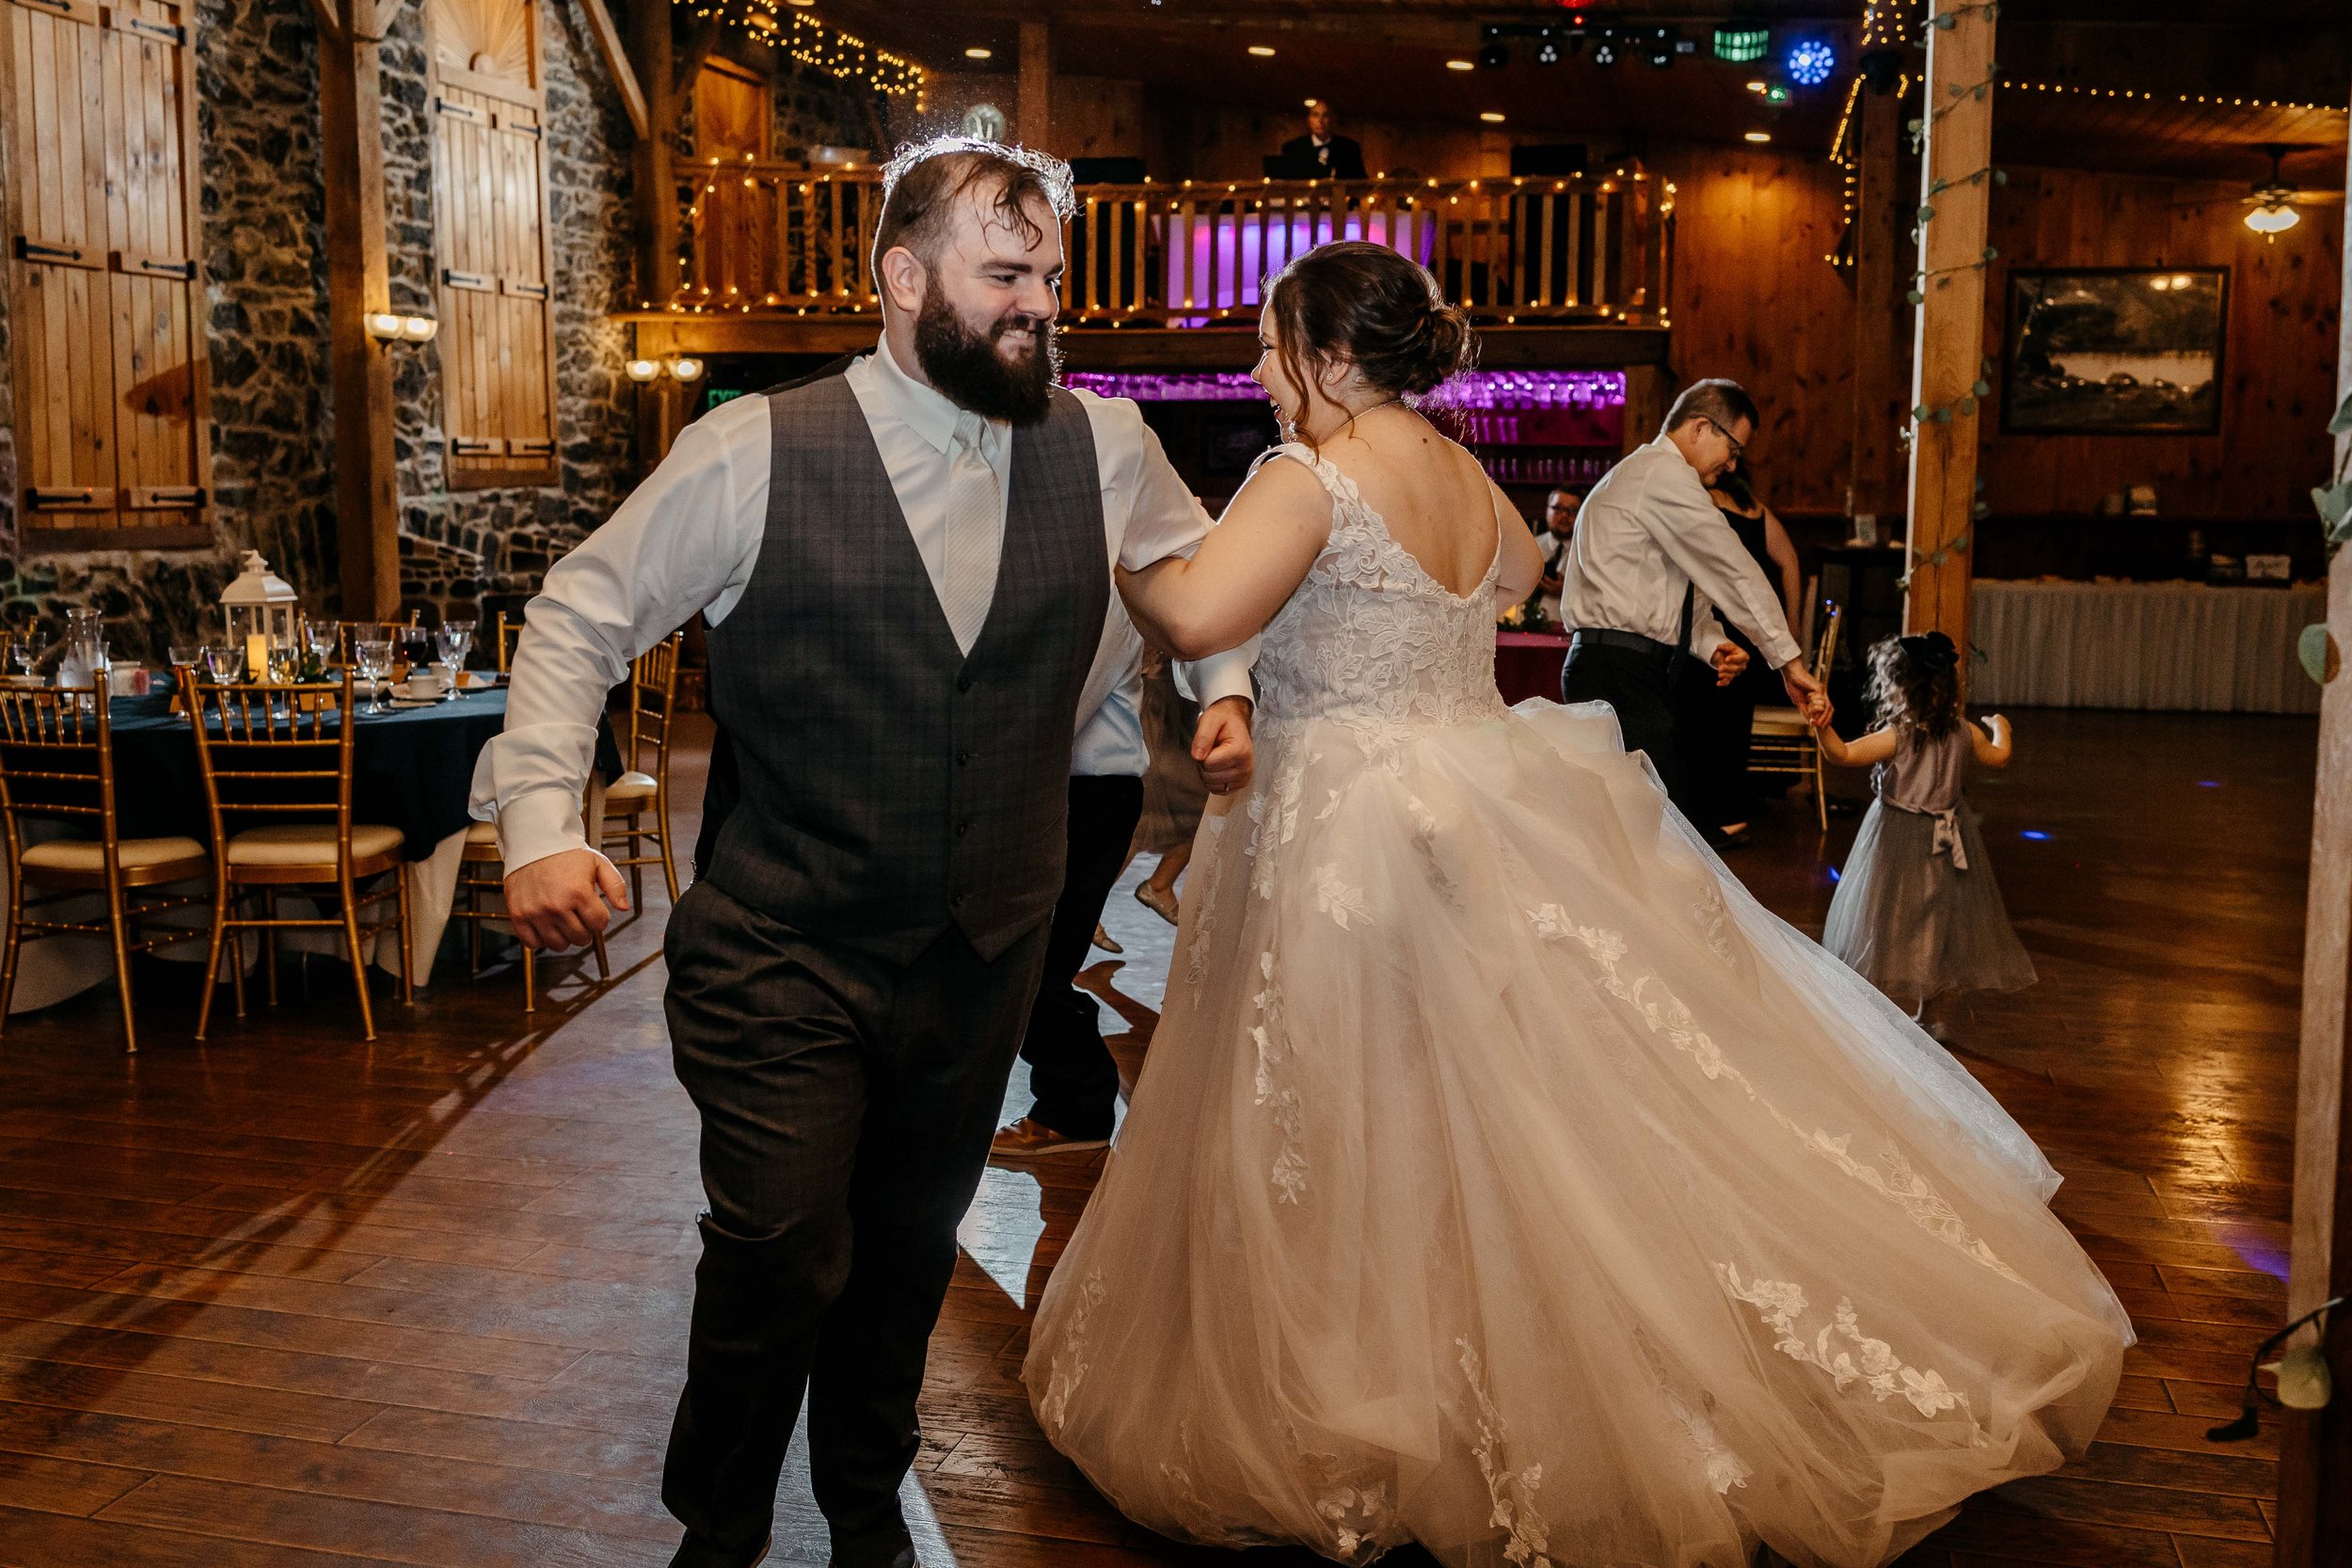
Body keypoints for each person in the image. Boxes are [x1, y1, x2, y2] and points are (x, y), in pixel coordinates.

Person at [1023, 241, 2129, 1568]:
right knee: (1484, 1096)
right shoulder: (1470, 478)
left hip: (1347, 819)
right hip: (1472, 783)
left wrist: (1125, 538)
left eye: (1270, 344)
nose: (1258, 370)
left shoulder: (1305, 474)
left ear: (1329, 355)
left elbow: (1201, 611)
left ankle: (1378, 1388)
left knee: (1347, 1098)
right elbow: (1507, 590)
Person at [473, 136, 1255, 1568]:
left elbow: (1206, 575)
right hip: (782, 940)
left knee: (904, 1254)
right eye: (1005, 275)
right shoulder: (756, 446)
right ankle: (717, 1522)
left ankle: (861, 1512)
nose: (1040, 307)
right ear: (902, 279)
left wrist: (1229, 694)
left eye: (1050, 281)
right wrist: (539, 823)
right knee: (782, 1243)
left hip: (984, 946)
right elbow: (579, 613)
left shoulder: (1106, 445)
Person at [992, 602, 1255, 1160]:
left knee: (1034, 966)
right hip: (1058, 783)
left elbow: (1077, 678)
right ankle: (1072, 1102)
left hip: (1084, 787)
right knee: (1027, 964)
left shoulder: (1107, 542)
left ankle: (1076, 1104)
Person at [1558, 379, 1827, 836]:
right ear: (1701, 427)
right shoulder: (1660, 475)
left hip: (1626, 670)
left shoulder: (1655, 480)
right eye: (1733, 447)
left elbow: (1684, 592)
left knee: (1644, 833)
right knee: (1656, 833)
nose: (1733, 463)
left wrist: (1713, 643)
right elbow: (1733, 567)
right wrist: (1789, 662)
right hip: (1618, 673)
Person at [1815, 631, 2036, 1030]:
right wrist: (2002, 726)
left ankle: (1875, 1009)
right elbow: (2000, 756)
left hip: (1894, 835)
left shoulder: (1898, 735)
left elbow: (1843, 754)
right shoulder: (1965, 732)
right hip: (1947, 837)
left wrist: (1821, 726)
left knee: (1883, 913)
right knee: (1936, 919)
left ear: (1897, 686)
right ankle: (1929, 1014)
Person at [1675, 457, 1803, 844]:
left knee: (1700, 720)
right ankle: (1731, 805)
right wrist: (1790, 626)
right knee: (1733, 721)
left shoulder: (1703, 502)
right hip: (1751, 635)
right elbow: (1791, 563)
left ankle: (1706, 811)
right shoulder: (1756, 510)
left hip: (1713, 629)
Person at [1129, 650, 1208, 925]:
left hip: (1179, 706)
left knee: (1199, 808)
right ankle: (1083, 908)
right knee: (1142, 816)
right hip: (1157, 707)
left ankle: (1160, 884)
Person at [1533, 483, 1583, 624]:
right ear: (1547, 510)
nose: (1564, 516)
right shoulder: (1530, 547)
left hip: (1570, 633)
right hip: (1528, 630)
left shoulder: (1588, 553)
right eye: (1558, 508)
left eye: (1572, 510)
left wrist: (1567, 591)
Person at [1279, 99, 1368, 181]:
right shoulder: (1292, 148)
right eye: (1315, 115)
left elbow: (1361, 185)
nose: (1320, 121)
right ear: (1309, 119)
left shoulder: (1349, 148)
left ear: (1333, 119)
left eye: (1325, 115)